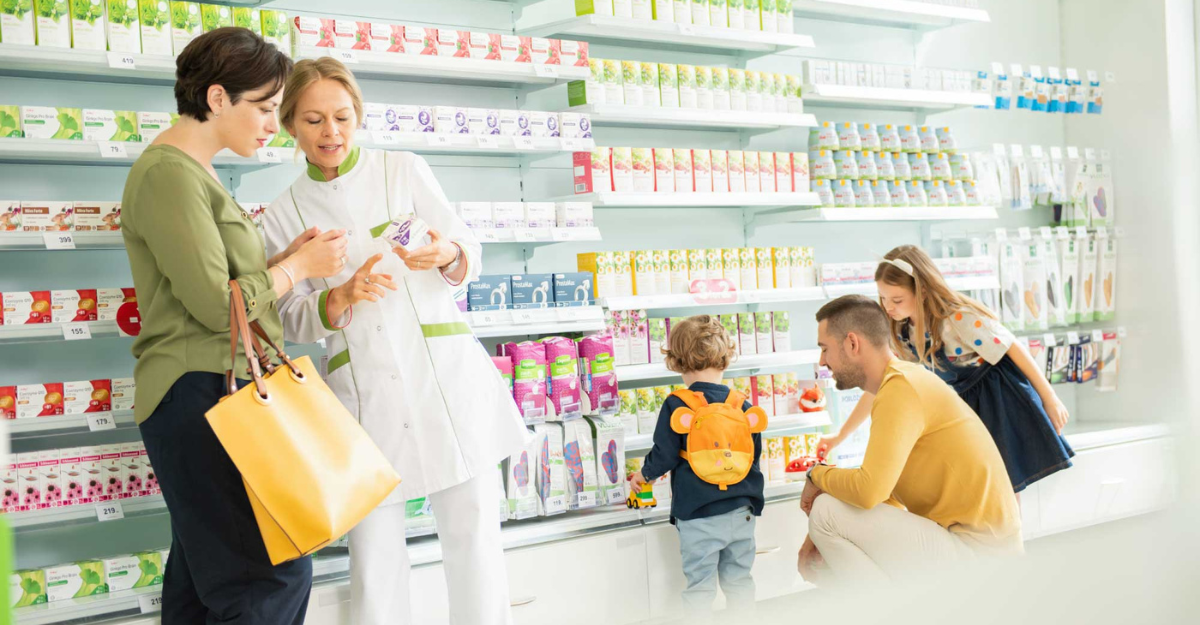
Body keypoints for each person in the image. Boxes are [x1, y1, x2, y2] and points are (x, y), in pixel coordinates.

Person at [261, 57, 529, 625]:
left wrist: (447, 254)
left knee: (472, 538)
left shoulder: (402, 169)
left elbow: (468, 252)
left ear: (358, 115)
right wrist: (338, 298)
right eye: (313, 120)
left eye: (341, 116)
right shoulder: (283, 213)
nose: (330, 132)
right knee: (374, 557)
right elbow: (284, 316)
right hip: (362, 399)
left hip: (443, 382)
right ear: (289, 126)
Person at [120, 28, 349, 624]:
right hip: (199, 393)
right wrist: (297, 270)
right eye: (267, 108)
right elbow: (208, 302)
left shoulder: (194, 170)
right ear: (218, 98)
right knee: (267, 573)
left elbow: (212, 284)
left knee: (204, 581)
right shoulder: (169, 173)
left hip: (209, 390)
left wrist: (276, 263)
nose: (274, 125)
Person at [797, 295, 1022, 587]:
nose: (822, 361)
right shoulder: (901, 382)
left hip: (982, 557)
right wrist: (816, 535)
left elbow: (868, 491)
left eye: (825, 349)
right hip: (973, 550)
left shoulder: (900, 389)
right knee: (829, 513)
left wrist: (815, 475)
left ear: (852, 343)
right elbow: (882, 492)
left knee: (826, 512)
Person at [819, 245, 1074, 494]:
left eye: (897, 299)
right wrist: (840, 436)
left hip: (999, 399)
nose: (888, 307)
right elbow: (879, 384)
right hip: (962, 404)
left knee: (1004, 484)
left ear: (923, 292)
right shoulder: (902, 332)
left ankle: (1009, 536)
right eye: (883, 298)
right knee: (981, 484)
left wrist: (1049, 399)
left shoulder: (958, 319)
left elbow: (1013, 347)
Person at [629, 315, 766, 616]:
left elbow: (664, 455)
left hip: (698, 514)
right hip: (743, 511)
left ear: (676, 361)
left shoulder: (677, 405)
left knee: (701, 589)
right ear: (726, 357)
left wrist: (643, 475)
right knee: (740, 582)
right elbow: (753, 456)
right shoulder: (741, 404)